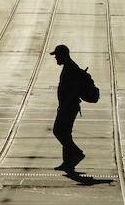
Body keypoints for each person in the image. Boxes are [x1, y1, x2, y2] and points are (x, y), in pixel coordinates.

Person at [50, 44, 85, 173]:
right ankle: (68, 163)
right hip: (67, 106)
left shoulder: (71, 68)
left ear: (63, 55)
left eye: (57, 56)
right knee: (65, 133)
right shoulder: (69, 67)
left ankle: (77, 153)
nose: (56, 58)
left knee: (58, 131)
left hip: (69, 107)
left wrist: (64, 107)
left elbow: (73, 90)